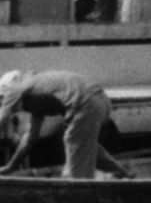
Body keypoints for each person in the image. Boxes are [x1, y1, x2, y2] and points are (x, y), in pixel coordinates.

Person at [0, 68, 131, 179]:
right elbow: (29, 138)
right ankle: (120, 173)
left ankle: (76, 190)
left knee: (73, 142)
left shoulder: (13, 87)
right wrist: (11, 165)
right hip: (100, 101)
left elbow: (2, 117)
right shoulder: (35, 100)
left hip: (86, 103)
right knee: (84, 144)